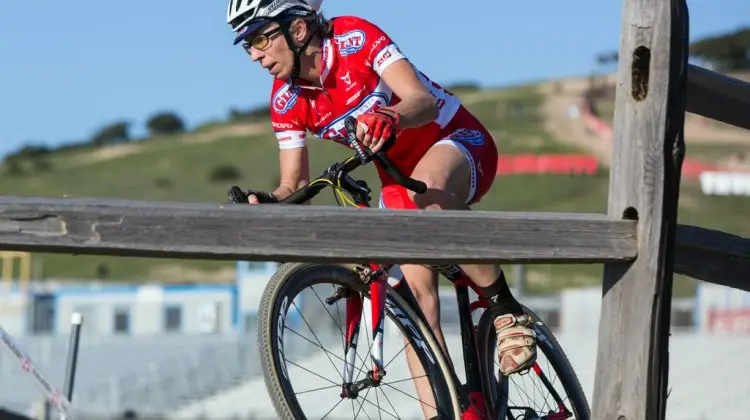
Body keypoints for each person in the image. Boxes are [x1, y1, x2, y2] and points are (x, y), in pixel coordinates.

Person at [225, 0, 537, 413]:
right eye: (247, 45)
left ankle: (507, 311)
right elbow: (295, 184)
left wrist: (390, 115)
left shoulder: (353, 38)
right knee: (415, 308)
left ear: (298, 30)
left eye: (261, 39)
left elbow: (421, 101)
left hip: (457, 140)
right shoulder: (286, 99)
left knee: (425, 195)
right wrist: (267, 201)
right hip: (397, 179)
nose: (255, 55)